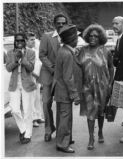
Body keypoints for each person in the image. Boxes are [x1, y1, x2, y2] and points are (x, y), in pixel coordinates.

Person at [77, 24, 114, 150]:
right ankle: (91, 138)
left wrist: (110, 84)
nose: (93, 38)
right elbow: (77, 67)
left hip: (102, 85)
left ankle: (100, 132)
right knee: (90, 112)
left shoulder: (106, 51)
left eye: (96, 36)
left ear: (100, 38)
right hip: (87, 86)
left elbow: (110, 67)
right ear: (87, 36)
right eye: (91, 35)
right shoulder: (82, 50)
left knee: (101, 111)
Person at [39, 13, 68, 142]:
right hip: (48, 75)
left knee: (62, 106)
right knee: (46, 104)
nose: (61, 25)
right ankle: (48, 129)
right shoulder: (46, 37)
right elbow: (42, 55)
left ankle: (62, 133)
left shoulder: (69, 38)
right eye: (58, 23)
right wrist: (52, 68)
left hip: (63, 78)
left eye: (63, 23)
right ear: (54, 24)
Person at [54, 25, 81, 153]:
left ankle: (65, 139)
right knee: (65, 118)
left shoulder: (63, 50)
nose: (78, 39)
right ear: (72, 39)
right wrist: (75, 95)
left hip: (60, 91)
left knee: (63, 117)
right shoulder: (67, 54)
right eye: (76, 37)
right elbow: (68, 77)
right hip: (65, 92)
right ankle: (63, 144)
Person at [6, 33, 36, 144]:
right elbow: (8, 68)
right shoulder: (9, 53)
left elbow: (31, 68)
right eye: (17, 41)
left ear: (25, 41)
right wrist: (15, 60)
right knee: (14, 109)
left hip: (27, 83)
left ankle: (28, 135)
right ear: (14, 41)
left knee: (28, 111)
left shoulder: (31, 53)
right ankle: (23, 129)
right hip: (14, 83)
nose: (19, 43)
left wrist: (22, 58)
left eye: (21, 41)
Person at [26, 32, 45, 127]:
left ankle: (38, 116)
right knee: (31, 99)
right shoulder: (25, 51)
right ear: (26, 41)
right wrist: (35, 75)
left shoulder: (35, 51)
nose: (33, 41)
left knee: (38, 98)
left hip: (37, 77)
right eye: (31, 39)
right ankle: (33, 120)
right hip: (30, 78)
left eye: (34, 39)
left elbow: (39, 64)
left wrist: (39, 76)